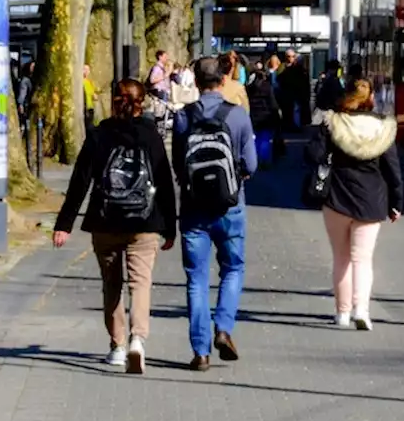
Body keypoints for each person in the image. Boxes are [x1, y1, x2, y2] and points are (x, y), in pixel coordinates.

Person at [53, 78, 177, 374]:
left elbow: (80, 181)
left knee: (111, 284)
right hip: (144, 222)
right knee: (140, 283)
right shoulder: (151, 136)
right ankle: (137, 339)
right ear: (141, 103)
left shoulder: (99, 135)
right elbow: (163, 181)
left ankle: (117, 346)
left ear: (114, 101)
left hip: (105, 221)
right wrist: (170, 227)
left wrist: (64, 223)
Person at [172, 57, 258, 372]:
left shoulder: (184, 117)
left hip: (194, 208)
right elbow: (251, 164)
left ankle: (200, 351)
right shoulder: (238, 116)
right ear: (223, 81)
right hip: (230, 205)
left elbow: (178, 166)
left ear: (194, 82)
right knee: (233, 269)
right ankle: (223, 328)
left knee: (196, 279)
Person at [307, 79, 401, 330]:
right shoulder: (383, 128)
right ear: (371, 99)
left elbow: (313, 155)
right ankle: (362, 310)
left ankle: (342, 313)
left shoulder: (333, 122)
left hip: (336, 198)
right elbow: (393, 171)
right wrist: (396, 202)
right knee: (363, 259)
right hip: (371, 201)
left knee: (341, 258)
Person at [246, 66, 281, 165]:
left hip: (253, 115)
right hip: (266, 116)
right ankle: (264, 159)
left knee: (255, 138)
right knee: (265, 139)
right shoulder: (267, 87)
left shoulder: (249, 87)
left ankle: (254, 159)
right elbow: (272, 103)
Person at [279, 48, 311, 129]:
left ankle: (297, 125)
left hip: (298, 94)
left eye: (293, 56)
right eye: (289, 56)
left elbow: (305, 82)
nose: (291, 59)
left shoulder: (300, 69)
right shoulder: (282, 67)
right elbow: (280, 80)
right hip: (288, 95)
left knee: (297, 110)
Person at [15, 60, 34, 136]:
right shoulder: (26, 80)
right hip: (26, 105)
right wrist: (20, 104)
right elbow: (22, 93)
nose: (33, 68)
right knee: (25, 123)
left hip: (28, 105)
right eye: (32, 66)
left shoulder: (30, 79)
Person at [83, 63, 98, 137]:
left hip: (90, 108)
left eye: (87, 69)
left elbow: (94, 96)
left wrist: (94, 95)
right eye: (84, 69)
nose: (86, 71)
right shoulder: (81, 82)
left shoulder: (89, 82)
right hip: (84, 108)